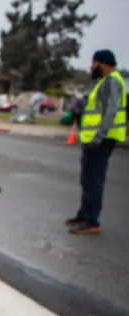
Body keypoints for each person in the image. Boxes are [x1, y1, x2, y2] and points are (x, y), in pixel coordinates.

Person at [66, 49, 126, 235]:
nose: (91, 67)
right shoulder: (103, 83)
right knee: (87, 178)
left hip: (101, 140)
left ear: (104, 64)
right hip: (93, 138)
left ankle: (91, 221)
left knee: (94, 180)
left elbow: (111, 112)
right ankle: (84, 215)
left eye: (94, 63)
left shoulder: (112, 82)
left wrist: (98, 137)